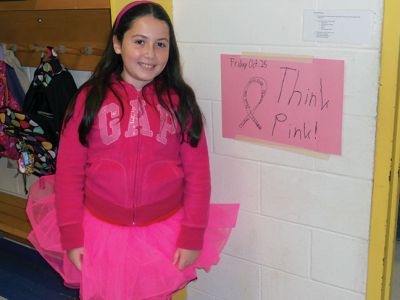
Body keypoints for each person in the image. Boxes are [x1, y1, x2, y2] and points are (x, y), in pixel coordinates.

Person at [26, 1, 239, 299]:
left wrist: (192, 235)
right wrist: (73, 235)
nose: (150, 54)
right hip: (102, 232)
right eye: (139, 41)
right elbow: (70, 173)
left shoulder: (182, 103)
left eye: (160, 44)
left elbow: (198, 176)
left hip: (163, 232)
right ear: (117, 43)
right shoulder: (89, 99)